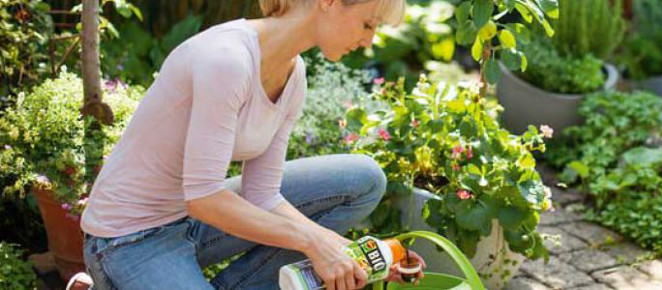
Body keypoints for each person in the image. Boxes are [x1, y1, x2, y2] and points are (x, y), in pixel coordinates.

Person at [78, 0, 424, 289]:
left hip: (191, 219)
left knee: (362, 178)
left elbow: (264, 195)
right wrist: (313, 243)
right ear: (329, 2)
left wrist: (351, 254)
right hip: (129, 239)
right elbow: (204, 198)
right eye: (367, 23)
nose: (369, 41)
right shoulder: (227, 58)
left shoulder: (293, 74)